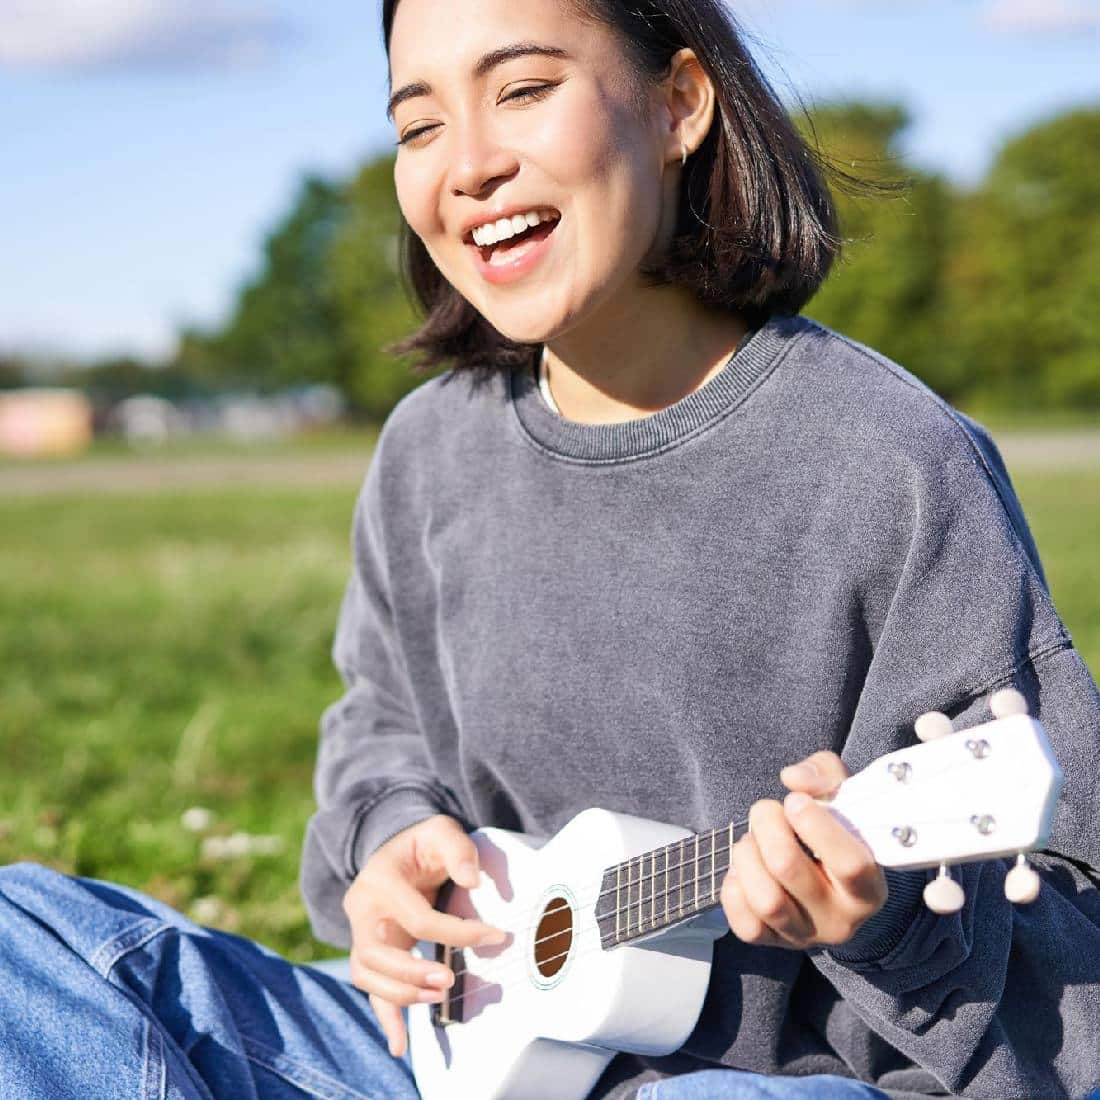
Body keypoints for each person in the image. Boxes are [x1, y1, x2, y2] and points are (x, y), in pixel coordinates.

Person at [1, 1, 1097, 1099]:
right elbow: (378, 732)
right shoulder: (429, 449)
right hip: (438, 1062)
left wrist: (884, 927)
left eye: (521, 90)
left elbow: (1069, 978)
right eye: (418, 126)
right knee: (22, 932)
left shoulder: (891, 460)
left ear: (679, 104)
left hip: (760, 1083)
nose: (467, 163)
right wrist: (389, 838)